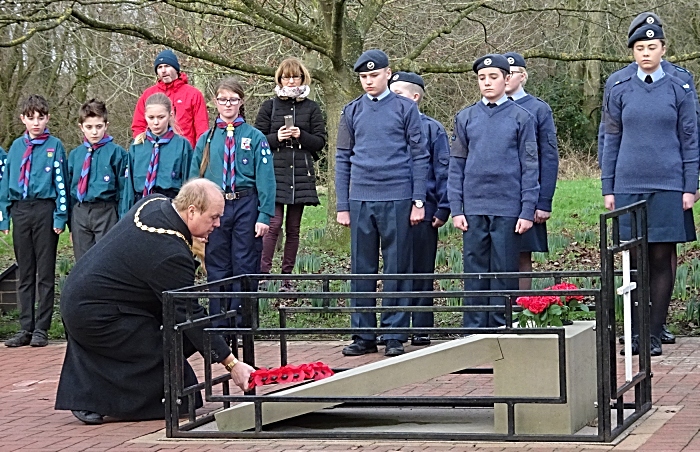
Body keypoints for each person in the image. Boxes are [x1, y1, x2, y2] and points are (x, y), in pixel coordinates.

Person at [55, 179, 255, 425]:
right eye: (213, 217)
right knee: (171, 378)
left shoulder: (154, 204)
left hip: (89, 298)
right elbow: (188, 314)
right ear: (191, 211)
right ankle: (96, 400)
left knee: (177, 344)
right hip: (97, 313)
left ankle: (89, 397)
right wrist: (231, 363)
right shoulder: (169, 253)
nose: (218, 224)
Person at [599, 11, 700, 346]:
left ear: (663, 48)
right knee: (632, 261)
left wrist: (690, 185)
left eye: (651, 46)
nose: (645, 52)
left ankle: (654, 332)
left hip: (670, 185)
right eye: (639, 47)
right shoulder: (617, 85)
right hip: (628, 185)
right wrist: (608, 186)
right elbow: (609, 138)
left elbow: (690, 137)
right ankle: (636, 331)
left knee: (660, 258)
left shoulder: (681, 84)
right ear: (632, 51)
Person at [336, 49, 429, 357]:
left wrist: (418, 201)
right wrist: (342, 204)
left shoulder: (405, 108)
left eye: (374, 75)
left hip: (397, 196)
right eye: (363, 77)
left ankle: (394, 334)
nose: (368, 81)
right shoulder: (352, 111)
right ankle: (363, 334)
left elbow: (419, 155)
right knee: (361, 270)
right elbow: (343, 157)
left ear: (388, 74)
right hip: (361, 198)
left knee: (397, 268)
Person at [448, 54, 539, 329]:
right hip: (474, 208)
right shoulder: (465, 117)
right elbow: (457, 164)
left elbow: (530, 165)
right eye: (481, 78)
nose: (487, 83)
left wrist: (527, 209)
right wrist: (457, 207)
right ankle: (474, 330)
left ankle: (502, 328)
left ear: (507, 79)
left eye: (493, 77)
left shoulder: (522, 117)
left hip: (508, 207)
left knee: (504, 271)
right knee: (474, 270)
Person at [191, 78, 275, 336]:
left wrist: (264, 215)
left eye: (233, 99)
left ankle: (243, 322)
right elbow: (195, 177)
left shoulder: (254, 137)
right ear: (215, 102)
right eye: (223, 99)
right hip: (215, 206)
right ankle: (219, 322)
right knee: (217, 265)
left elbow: (266, 179)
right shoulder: (206, 139)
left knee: (245, 263)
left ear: (242, 102)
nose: (228, 104)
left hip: (246, 204)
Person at [1, 95, 68, 348]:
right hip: (20, 209)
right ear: (23, 119)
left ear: (47, 118)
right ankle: (25, 328)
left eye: (41, 117)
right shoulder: (17, 147)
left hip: (44, 210)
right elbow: (6, 183)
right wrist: (4, 215)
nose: (36, 122)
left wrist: (60, 215)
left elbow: (61, 184)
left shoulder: (55, 146)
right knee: (25, 271)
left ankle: (42, 328)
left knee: (45, 272)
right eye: (31, 118)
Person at [388, 71, 449, 346]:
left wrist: (443, 207)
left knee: (422, 269)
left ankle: (422, 328)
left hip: (425, 211)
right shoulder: (386, 125)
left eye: (397, 92)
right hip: (391, 210)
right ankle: (392, 329)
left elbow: (443, 169)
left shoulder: (433, 129)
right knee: (395, 270)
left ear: (415, 97)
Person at [255, 58, 326, 288]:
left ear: (303, 78)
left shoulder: (312, 107)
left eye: (295, 76)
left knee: (294, 228)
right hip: (274, 172)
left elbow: (320, 142)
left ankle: (287, 277)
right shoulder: (269, 106)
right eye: (287, 77)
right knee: (273, 225)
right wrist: (278, 138)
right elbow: (257, 139)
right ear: (279, 79)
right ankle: (264, 275)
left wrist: (300, 135)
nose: (291, 81)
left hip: (301, 174)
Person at [502, 52, 560, 290]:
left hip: (528, 193)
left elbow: (548, 157)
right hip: (496, 195)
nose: (505, 79)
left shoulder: (538, 109)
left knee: (522, 254)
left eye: (510, 73)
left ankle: (519, 312)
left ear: (523, 76)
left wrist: (543, 201)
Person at [67, 99, 130, 261]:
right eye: (89, 127)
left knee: (106, 260)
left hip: (106, 211)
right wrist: (70, 222)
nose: (94, 132)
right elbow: (70, 189)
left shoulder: (118, 153)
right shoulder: (75, 155)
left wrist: (122, 219)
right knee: (82, 262)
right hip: (80, 212)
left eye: (99, 126)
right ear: (81, 127)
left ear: (106, 125)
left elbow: (123, 190)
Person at [131, 49, 209, 148]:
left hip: (185, 153)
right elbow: (138, 126)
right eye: (160, 67)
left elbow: (201, 129)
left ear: (176, 68)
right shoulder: (148, 94)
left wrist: (198, 155)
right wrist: (143, 149)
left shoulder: (193, 94)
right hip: (154, 151)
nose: (163, 70)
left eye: (167, 66)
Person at [127, 92, 193, 204]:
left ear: (170, 115)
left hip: (170, 203)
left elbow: (189, 184)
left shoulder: (182, 145)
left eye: (161, 117)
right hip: (141, 203)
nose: (156, 122)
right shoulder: (137, 146)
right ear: (145, 116)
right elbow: (128, 187)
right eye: (151, 117)